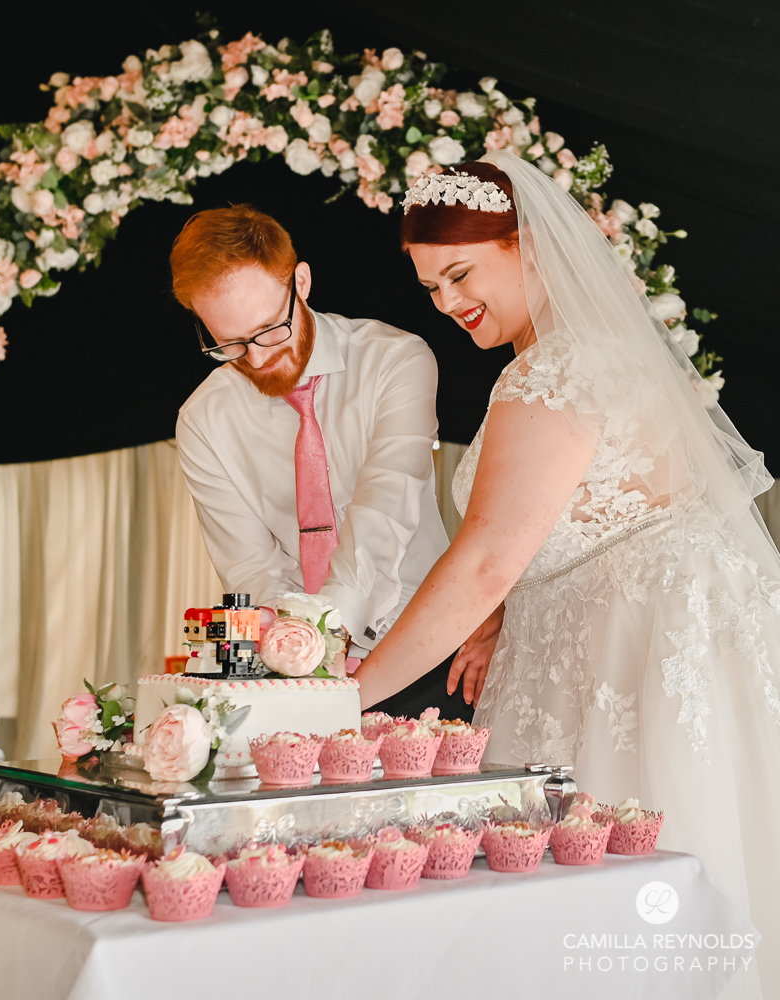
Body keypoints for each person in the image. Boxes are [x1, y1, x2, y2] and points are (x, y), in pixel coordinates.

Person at [355, 152, 780, 999]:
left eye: (462, 273)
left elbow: (481, 561)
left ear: (532, 246)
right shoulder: (607, 353)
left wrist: (345, 695)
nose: (447, 303)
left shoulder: (551, 373)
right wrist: (514, 606)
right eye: (431, 287)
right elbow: (610, 514)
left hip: (631, 661)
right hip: (657, 633)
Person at [171, 205, 500, 720]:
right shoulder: (201, 421)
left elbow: (383, 514)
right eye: (229, 344)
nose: (257, 360)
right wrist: (298, 657)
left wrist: (326, 636)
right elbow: (252, 566)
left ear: (300, 282)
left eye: (268, 331)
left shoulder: (396, 359)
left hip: (427, 651)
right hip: (296, 672)